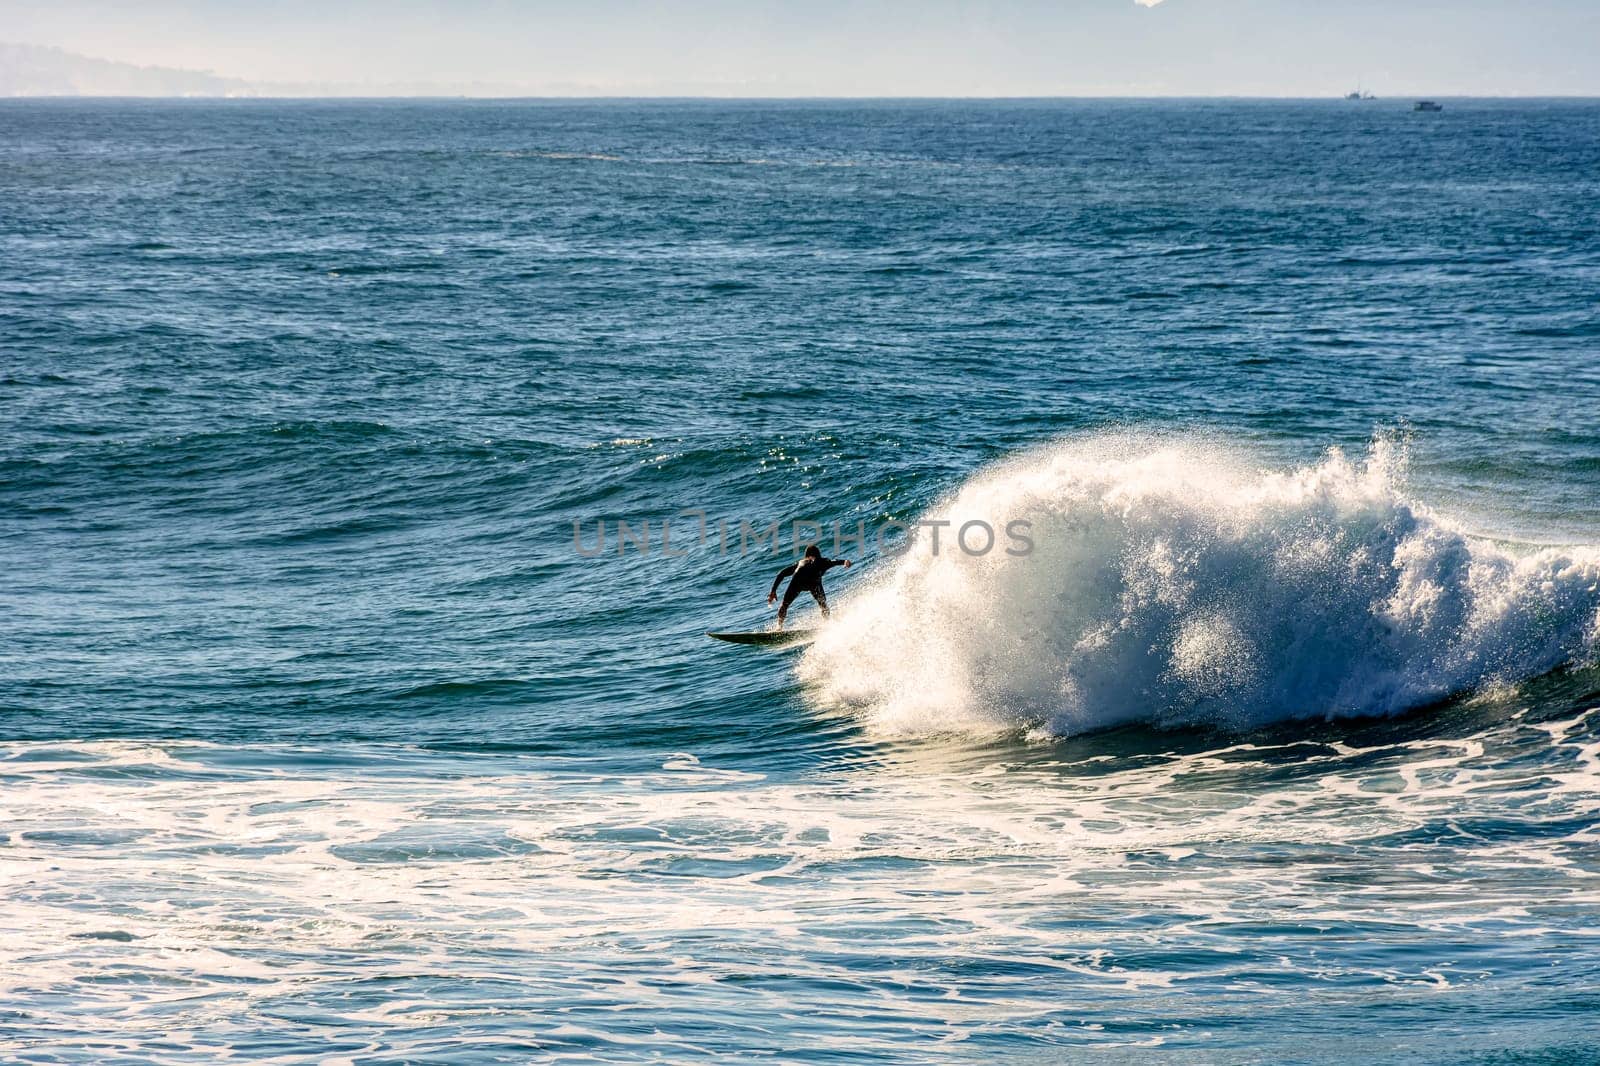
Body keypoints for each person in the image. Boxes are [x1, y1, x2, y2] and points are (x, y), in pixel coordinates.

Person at [767, 544, 851, 629]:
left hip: (798, 580)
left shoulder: (800, 562)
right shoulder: (823, 561)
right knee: (823, 605)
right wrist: (845, 561)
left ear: (807, 555)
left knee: (784, 605)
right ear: (818, 554)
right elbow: (834, 561)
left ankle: (779, 627)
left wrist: (773, 591)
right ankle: (827, 624)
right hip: (813, 582)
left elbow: (781, 573)